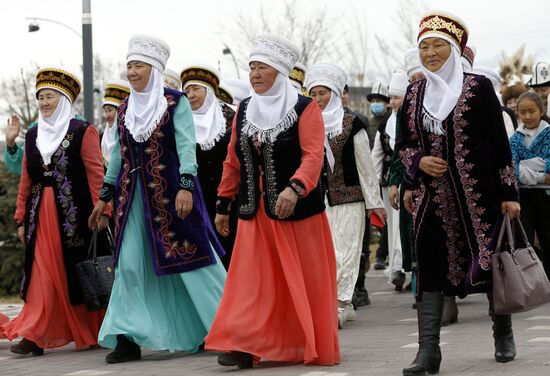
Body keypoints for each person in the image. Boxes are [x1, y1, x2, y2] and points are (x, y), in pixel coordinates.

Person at [88, 34, 226, 364]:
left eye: (138, 66)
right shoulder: (124, 109)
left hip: (171, 198)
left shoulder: (175, 103)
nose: (131, 72)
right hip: (132, 201)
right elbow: (119, 157)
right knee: (129, 266)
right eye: (129, 66)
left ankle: (225, 324)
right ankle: (126, 337)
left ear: (153, 68)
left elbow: (186, 146)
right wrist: (104, 198)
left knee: (194, 262)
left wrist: (185, 186)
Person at [204, 34, 340, 369]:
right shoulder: (245, 109)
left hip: (296, 213)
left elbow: (313, 156)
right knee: (250, 283)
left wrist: (295, 188)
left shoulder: (304, 108)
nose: (255, 74)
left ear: (279, 71)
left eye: (262, 67)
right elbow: (233, 160)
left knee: (299, 281)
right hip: (255, 213)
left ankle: (299, 339)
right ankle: (243, 345)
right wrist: (223, 204)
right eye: (251, 67)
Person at [396, 12, 521, 375]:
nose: (430, 53)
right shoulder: (415, 92)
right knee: (430, 267)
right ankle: (428, 351)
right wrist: (418, 163)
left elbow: (500, 144)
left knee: (491, 264)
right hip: (432, 200)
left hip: (480, 197)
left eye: (438, 45)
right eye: (424, 46)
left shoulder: (478, 87)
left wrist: (509, 193)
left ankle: (503, 333)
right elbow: (403, 143)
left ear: (454, 49)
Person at [1, 66, 110, 355]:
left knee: (74, 274)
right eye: (41, 98)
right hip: (41, 217)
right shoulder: (34, 134)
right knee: (40, 273)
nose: (44, 103)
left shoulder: (82, 131)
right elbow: (26, 179)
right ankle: (35, 335)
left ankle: (88, 329)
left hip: (77, 217)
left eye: (50, 97)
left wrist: (105, 209)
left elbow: (96, 173)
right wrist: (21, 218)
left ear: (63, 99)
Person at [306, 63, 385, 327]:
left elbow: (365, 165)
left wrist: (375, 203)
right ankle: (337, 303)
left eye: (323, 93)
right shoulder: (305, 125)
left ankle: (341, 303)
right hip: (318, 200)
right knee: (326, 253)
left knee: (346, 252)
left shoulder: (352, 124)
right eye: (313, 94)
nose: (317, 99)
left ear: (336, 93)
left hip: (350, 199)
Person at [181, 64, 237, 269]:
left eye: (196, 88)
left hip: (229, 199)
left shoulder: (231, 117)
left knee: (230, 250)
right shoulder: (180, 121)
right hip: (196, 198)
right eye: (187, 90)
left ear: (209, 91)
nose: (191, 94)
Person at [372, 69, 408, 292]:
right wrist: (376, 184)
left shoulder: (412, 120)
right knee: (393, 226)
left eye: (397, 97)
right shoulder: (386, 123)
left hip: (411, 181)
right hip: (391, 183)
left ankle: (407, 268)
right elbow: (377, 153)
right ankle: (397, 267)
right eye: (392, 98)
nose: (393, 102)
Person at [509, 92, 550, 278]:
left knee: (548, 237)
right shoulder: (515, 139)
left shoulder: (548, 134)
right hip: (524, 195)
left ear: (541, 111)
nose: (527, 116)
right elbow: (513, 168)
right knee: (525, 239)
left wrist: (524, 164)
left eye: (531, 111)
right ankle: (532, 281)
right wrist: (541, 176)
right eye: (522, 112)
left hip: (546, 196)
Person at [101, 79, 131, 166]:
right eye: (105, 111)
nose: (107, 116)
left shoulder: (130, 137)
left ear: (121, 111)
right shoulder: (101, 138)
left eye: (110, 110)